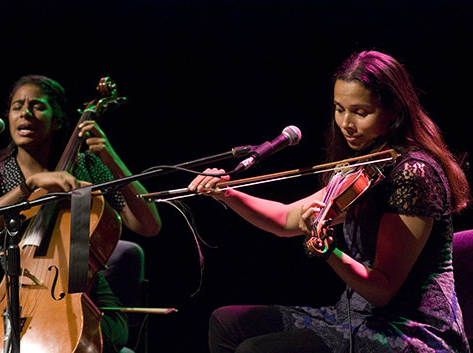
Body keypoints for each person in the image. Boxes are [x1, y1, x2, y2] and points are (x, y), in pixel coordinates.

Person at [187, 50, 471, 352]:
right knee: (226, 323)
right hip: (357, 316)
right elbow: (285, 220)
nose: (346, 123)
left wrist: (328, 251)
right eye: (339, 109)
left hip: (406, 329)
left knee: (255, 349)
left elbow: (382, 289)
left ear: (394, 110)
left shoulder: (414, 174)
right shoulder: (369, 166)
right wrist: (227, 193)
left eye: (360, 113)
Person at [0, 75, 162, 352]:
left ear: (58, 120)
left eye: (37, 105)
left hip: (85, 299)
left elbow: (148, 224)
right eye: (17, 106)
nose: (25, 112)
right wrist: (30, 186)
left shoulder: (85, 166)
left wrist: (110, 157)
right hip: (13, 300)